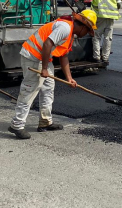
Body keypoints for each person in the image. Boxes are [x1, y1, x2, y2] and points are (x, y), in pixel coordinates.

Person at [8, 10, 98, 139]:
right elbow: (47, 43)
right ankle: (17, 125)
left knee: (48, 88)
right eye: (87, 31)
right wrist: (44, 68)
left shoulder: (70, 33)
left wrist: (69, 78)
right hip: (33, 57)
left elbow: (64, 56)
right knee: (29, 90)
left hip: (43, 58)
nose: (86, 35)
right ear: (84, 26)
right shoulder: (65, 28)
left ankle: (45, 122)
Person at [78, 0, 121, 65]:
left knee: (96, 37)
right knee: (108, 38)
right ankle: (105, 58)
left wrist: (79, 0)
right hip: (111, 17)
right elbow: (119, 4)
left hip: (99, 16)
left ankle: (96, 57)